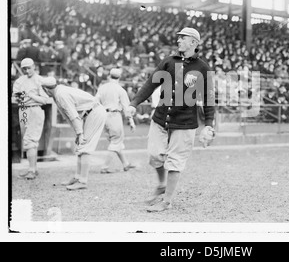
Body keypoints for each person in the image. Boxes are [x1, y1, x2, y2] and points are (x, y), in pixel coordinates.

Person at [128, 27, 216, 212]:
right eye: (179, 38)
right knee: (154, 155)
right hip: (161, 118)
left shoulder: (202, 68)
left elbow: (208, 98)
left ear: (194, 42)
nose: (178, 41)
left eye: (182, 38)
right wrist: (134, 103)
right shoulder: (168, 62)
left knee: (175, 161)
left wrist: (208, 125)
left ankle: (166, 201)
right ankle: (161, 184)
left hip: (185, 123)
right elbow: (150, 84)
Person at [40, 77, 107, 190]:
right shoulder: (59, 91)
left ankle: (83, 181)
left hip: (95, 112)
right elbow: (70, 117)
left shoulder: (61, 94)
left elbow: (73, 116)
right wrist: (78, 133)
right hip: (89, 113)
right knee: (80, 146)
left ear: (46, 89)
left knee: (84, 146)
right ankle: (77, 177)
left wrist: (80, 133)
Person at [12, 58, 50, 180]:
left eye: (29, 68)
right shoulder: (19, 81)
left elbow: (44, 100)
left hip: (35, 110)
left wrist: (31, 95)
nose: (27, 70)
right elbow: (17, 98)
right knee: (26, 139)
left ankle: (32, 170)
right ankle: (33, 168)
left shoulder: (40, 80)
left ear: (34, 67)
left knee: (30, 140)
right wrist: (24, 98)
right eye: (24, 68)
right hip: (23, 110)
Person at [95, 68, 137, 174]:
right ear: (119, 77)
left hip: (104, 115)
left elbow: (95, 102)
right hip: (114, 115)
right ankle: (105, 167)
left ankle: (125, 164)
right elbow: (126, 108)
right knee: (116, 141)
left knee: (116, 141)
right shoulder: (120, 89)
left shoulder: (102, 87)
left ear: (110, 75)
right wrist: (131, 122)